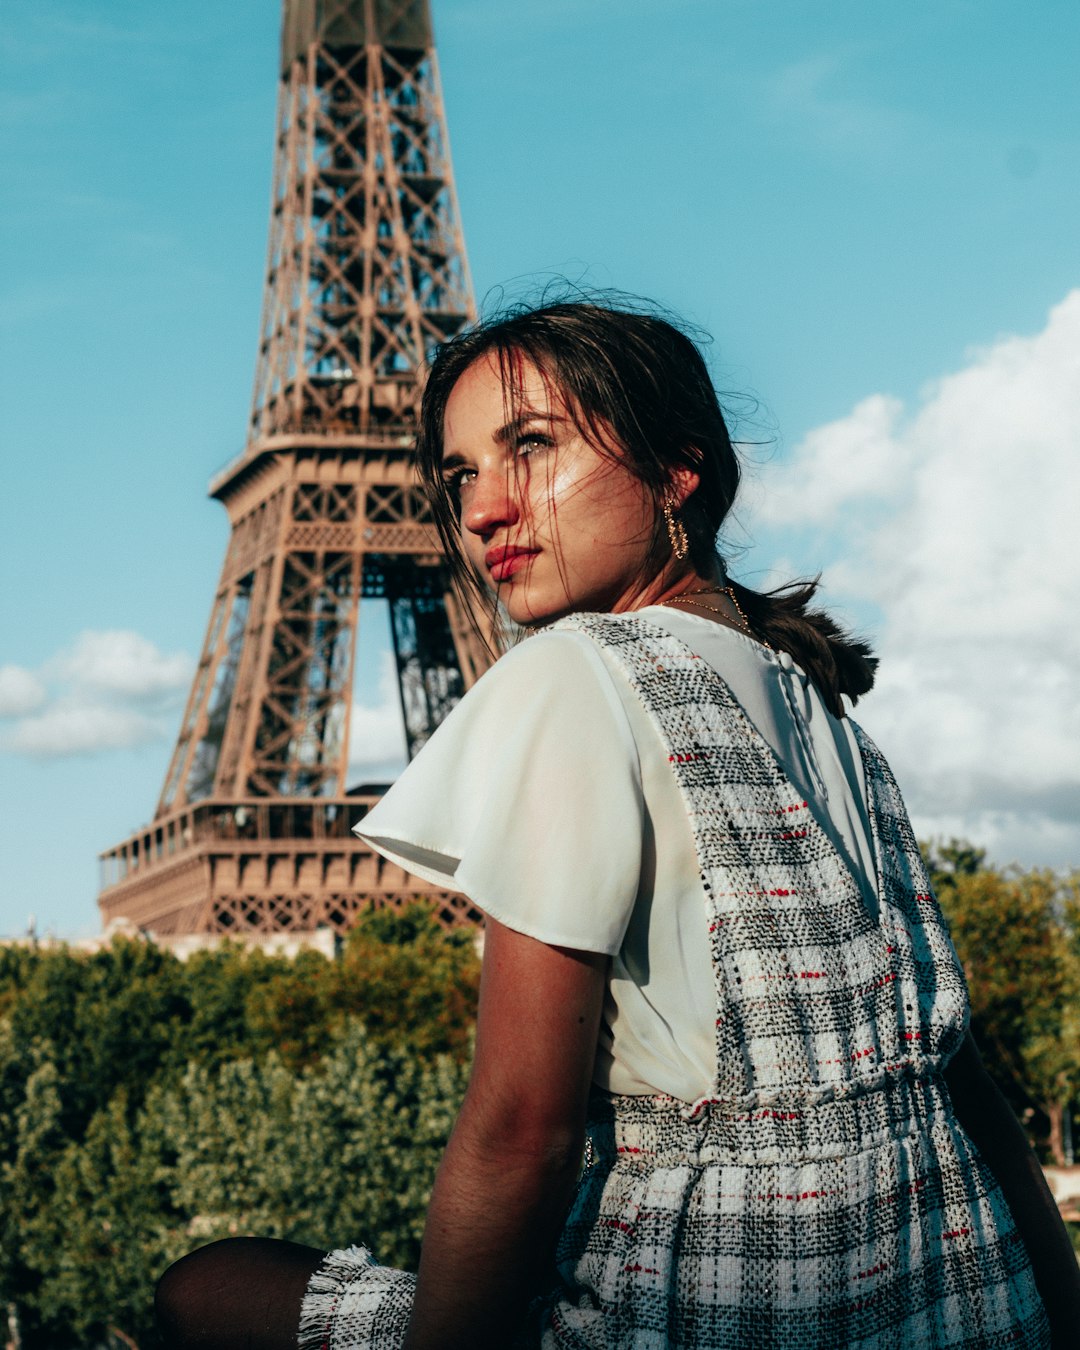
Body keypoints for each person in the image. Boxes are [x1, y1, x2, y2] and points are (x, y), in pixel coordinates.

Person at [155, 299, 1079, 1349]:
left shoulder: (577, 675)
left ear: (677, 468)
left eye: (531, 447)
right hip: (953, 1296)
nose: (482, 512)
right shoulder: (824, 712)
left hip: (693, 1310)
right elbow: (973, 1099)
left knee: (203, 1292)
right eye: (460, 475)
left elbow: (520, 1136)